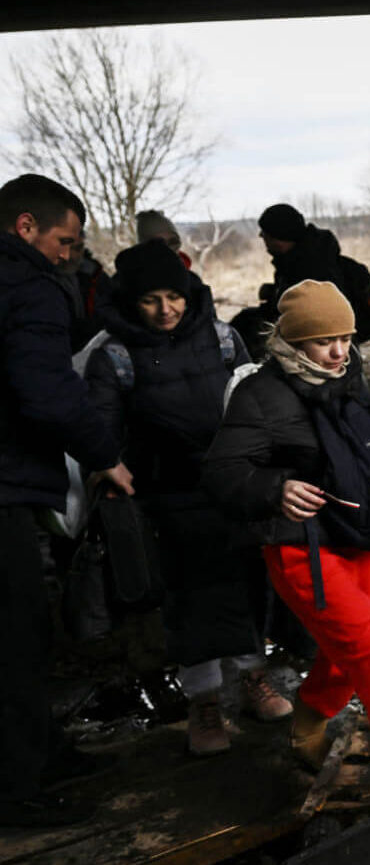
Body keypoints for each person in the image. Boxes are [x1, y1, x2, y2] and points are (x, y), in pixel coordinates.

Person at [201, 280, 370, 793]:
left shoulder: (346, 374)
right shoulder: (259, 393)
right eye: (323, 341)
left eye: (345, 337)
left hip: (355, 535)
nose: (338, 351)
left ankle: (306, 726)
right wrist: (275, 486)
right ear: (293, 342)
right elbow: (222, 473)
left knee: (347, 649)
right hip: (300, 548)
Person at [84, 241, 292, 756]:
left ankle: (253, 679)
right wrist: (111, 473)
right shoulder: (113, 356)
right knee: (188, 598)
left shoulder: (223, 340)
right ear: (132, 301)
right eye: (150, 299)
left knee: (247, 584)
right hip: (165, 498)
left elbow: (253, 401)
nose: (165, 309)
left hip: (232, 487)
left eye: (173, 296)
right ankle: (204, 703)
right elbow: (101, 430)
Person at [0, 173, 134, 828]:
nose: (69, 254)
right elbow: (48, 392)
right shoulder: (27, 287)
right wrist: (106, 454)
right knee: (16, 636)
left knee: (24, 631)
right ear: (26, 227)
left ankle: (42, 754)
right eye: (64, 239)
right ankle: (19, 787)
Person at [229, 204, 370, 358]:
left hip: (322, 348)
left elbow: (313, 316)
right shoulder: (299, 259)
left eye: (265, 233)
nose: (262, 237)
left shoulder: (309, 267)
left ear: (278, 237)